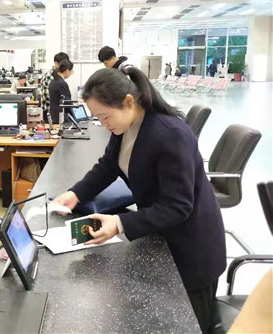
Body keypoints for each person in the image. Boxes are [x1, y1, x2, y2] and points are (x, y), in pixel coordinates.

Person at [53, 67, 226, 333]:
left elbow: (177, 206)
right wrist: (76, 194)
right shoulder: (125, 127)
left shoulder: (170, 134)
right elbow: (108, 166)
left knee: (190, 325)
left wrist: (119, 223)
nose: (103, 124)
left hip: (192, 247)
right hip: (162, 235)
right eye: (98, 118)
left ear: (128, 102)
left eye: (105, 116)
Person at [41, 52, 69, 117]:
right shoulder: (49, 76)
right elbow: (49, 97)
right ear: (56, 63)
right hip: (49, 112)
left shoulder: (58, 75)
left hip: (57, 112)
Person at [49, 58, 74, 124]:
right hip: (62, 117)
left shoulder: (53, 81)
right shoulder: (62, 83)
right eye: (71, 71)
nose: (70, 73)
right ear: (67, 71)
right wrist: (75, 115)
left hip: (54, 115)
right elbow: (67, 102)